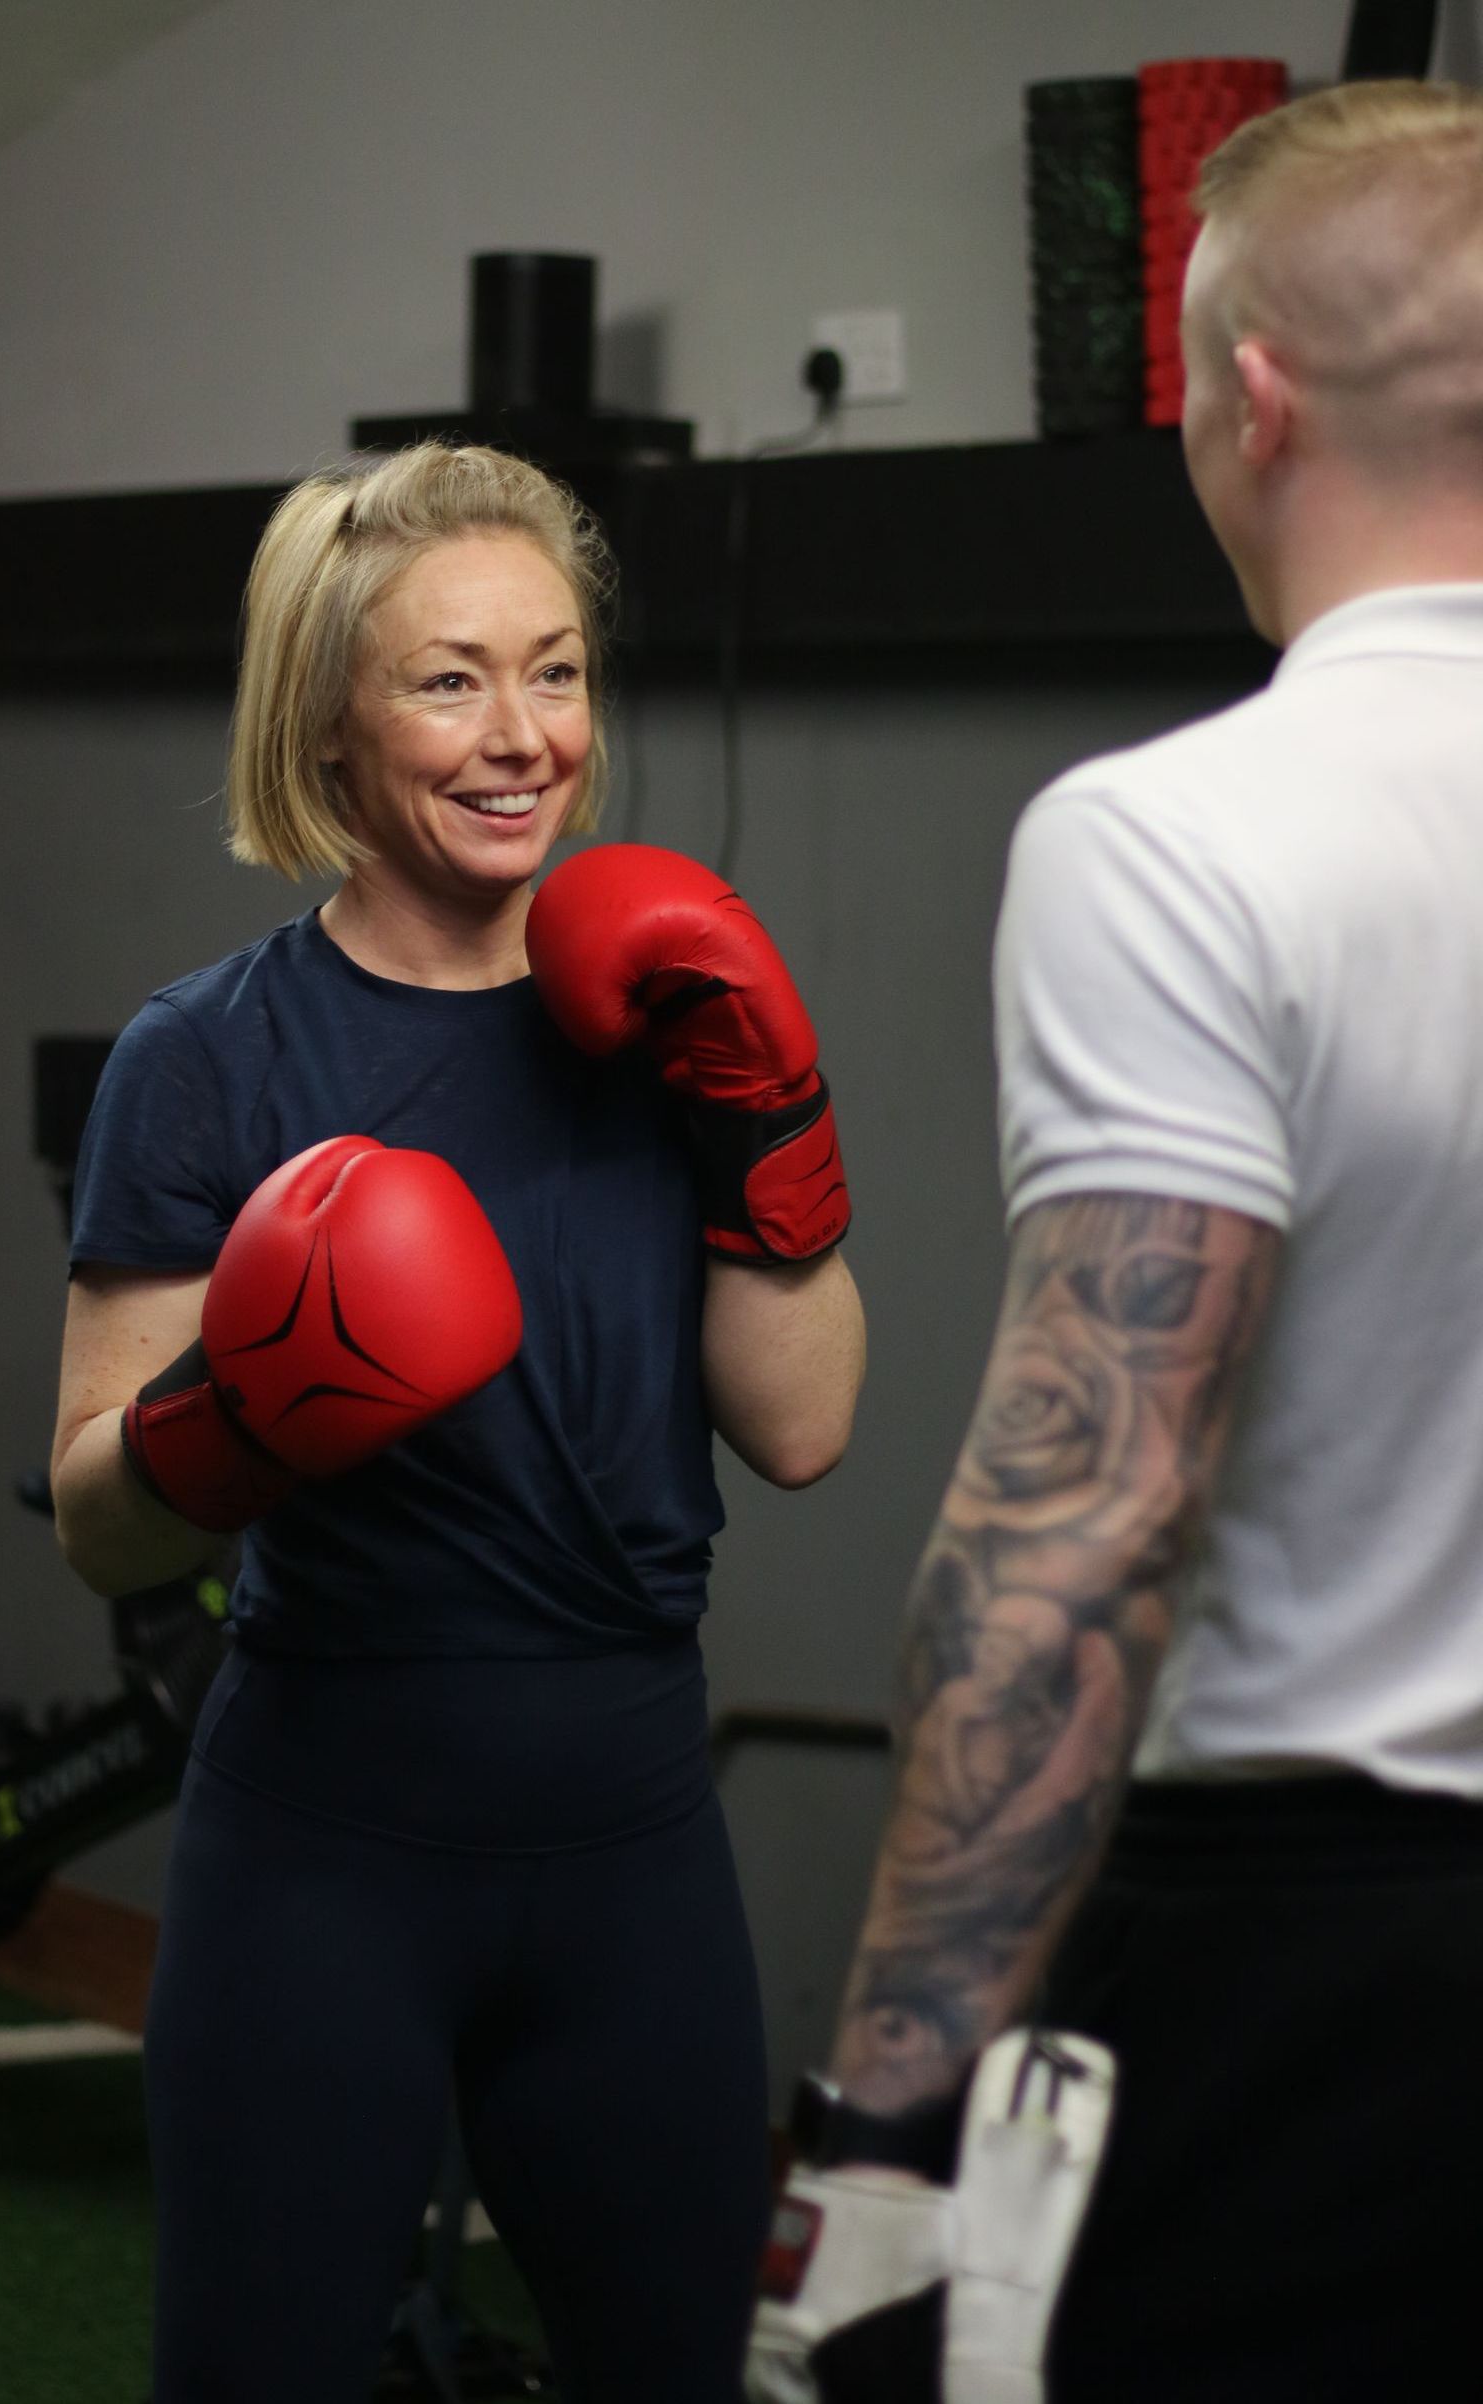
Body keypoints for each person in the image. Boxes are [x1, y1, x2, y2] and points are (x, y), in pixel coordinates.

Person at [750, 78, 1483, 2404]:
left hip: (1332, 1965)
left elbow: (1091, 1517)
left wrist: (876, 2122)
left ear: (1251, 395)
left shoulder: (1178, 836)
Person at [49, 440, 866, 2403]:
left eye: (557, 669)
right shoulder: (211, 1055)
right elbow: (99, 1514)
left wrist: (771, 1115)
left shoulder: (675, 1011)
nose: (523, 736)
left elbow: (806, 1421)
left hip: (632, 1840)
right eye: (451, 678)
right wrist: (257, 1405)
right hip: (329, 1843)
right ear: (330, 718)